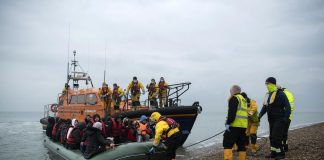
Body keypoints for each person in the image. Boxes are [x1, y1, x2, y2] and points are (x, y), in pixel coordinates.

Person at [259, 77, 291, 159]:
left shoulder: (280, 93)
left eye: (268, 84)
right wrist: (258, 117)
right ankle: (273, 153)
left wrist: (286, 118)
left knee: (276, 136)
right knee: (272, 137)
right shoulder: (268, 95)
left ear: (273, 84)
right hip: (271, 119)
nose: (266, 85)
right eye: (266, 84)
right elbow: (264, 108)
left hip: (280, 119)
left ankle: (281, 154)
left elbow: (288, 106)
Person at [223, 85, 248, 160]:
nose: (230, 93)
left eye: (230, 91)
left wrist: (228, 123)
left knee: (227, 143)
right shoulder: (243, 100)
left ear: (234, 91)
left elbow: (232, 113)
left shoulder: (234, 98)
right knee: (241, 145)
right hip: (243, 126)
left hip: (234, 125)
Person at [277, 85, 295, 152]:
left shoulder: (282, 94)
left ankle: (282, 148)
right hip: (289, 116)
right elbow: (290, 107)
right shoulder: (290, 93)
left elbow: (284, 106)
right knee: (285, 133)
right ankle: (286, 147)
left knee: (281, 133)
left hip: (283, 116)